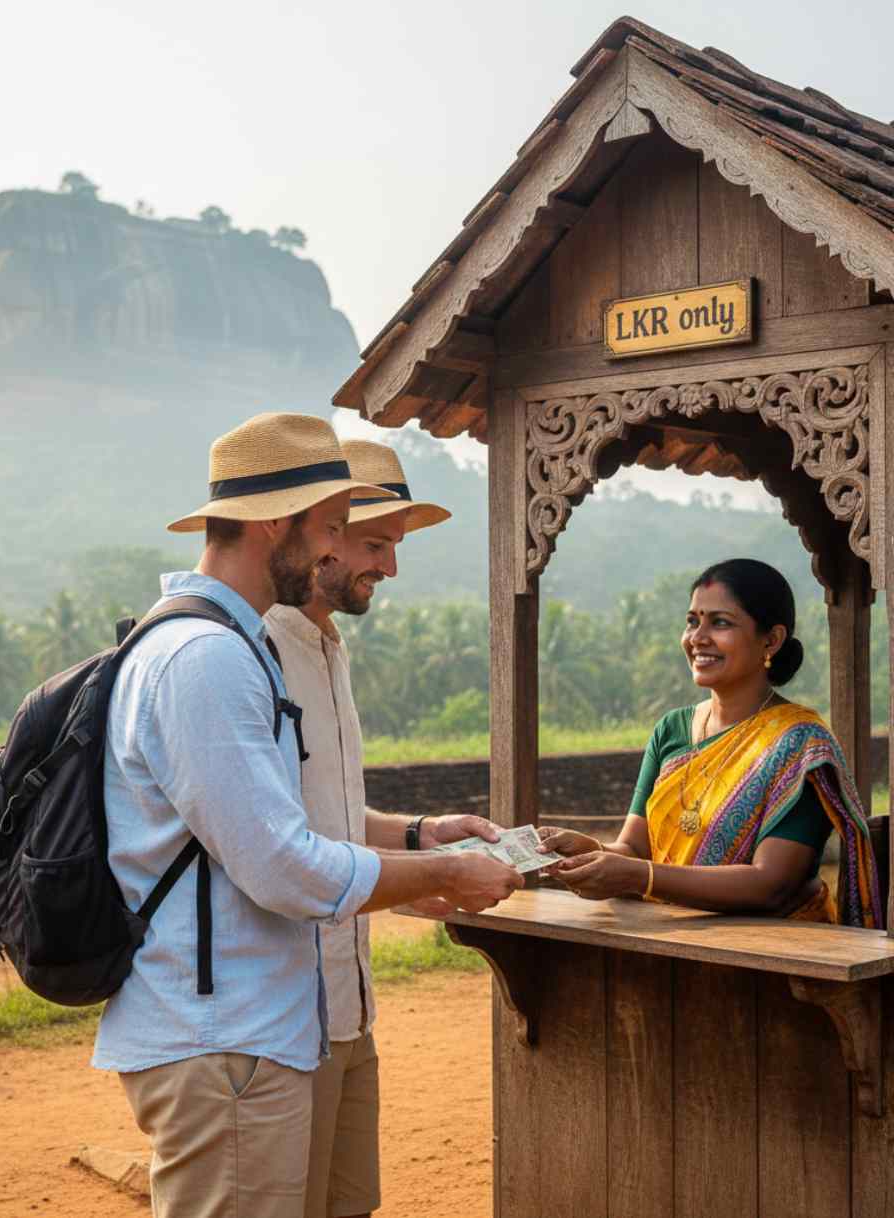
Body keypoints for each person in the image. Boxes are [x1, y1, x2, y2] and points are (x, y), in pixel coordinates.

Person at [90, 412, 523, 1218]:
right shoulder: (210, 657)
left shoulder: (232, 646)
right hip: (224, 1032)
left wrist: (422, 844)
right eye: (335, 528)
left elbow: (302, 823)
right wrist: (440, 872)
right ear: (274, 525)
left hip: (261, 1027)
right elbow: (283, 864)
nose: (339, 550)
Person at [266, 437, 489, 1218]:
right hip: (283, 1013)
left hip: (347, 997)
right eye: (372, 543)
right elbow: (276, 850)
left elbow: (324, 815)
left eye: (393, 547)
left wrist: (423, 833)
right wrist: (437, 877)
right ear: (318, 534)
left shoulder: (327, 645)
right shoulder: (252, 651)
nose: (389, 568)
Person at [538, 558, 883, 928]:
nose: (697, 638)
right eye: (692, 621)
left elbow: (772, 885)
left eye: (720, 622)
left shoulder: (799, 745)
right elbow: (637, 851)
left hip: (778, 955)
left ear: (771, 639)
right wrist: (590, 851)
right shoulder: (672, 729)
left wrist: (641, 876)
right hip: (671, 937)